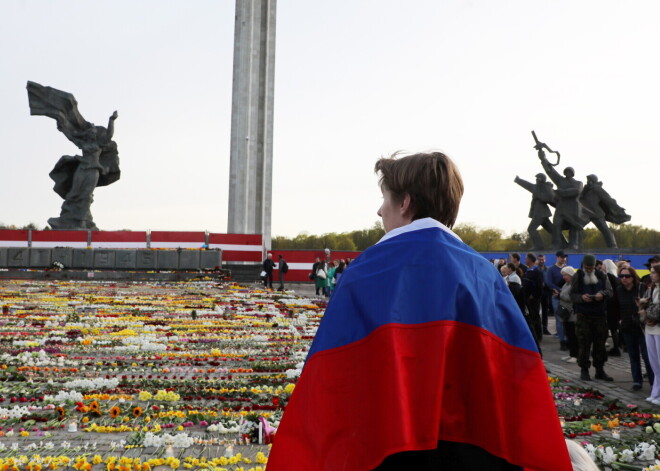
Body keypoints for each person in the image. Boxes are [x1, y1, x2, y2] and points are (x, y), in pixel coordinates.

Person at [268, 151, 571, 471]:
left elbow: (333, 380)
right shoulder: (484, 275)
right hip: (472, 452)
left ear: (405, 203)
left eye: (384, 198)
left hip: (387, 450)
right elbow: (514, 375)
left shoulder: (365, 271)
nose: (379, 210)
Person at [570, 254, 614, 381]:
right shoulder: (578, 276)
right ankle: (584, 370)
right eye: (587, 268)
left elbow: (610, 292)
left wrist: (602, 294)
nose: (589, 270)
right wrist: (581, 298)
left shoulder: (601, 276)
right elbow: (572, 294)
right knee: (584, 344)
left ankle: (599, 369)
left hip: (599, 315)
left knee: (600, 344)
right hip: (583, 315)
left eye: (591, 268)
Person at [537, 148, 589, 249]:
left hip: (573, 208)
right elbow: (551, 172)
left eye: (569, 172)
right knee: (556, 225)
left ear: (572, 173)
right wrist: (543, 159)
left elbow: (576, 191)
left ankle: (574, 244)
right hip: (561, 207)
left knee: (574, 227)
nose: (567, 173)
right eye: (566, 171)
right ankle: (556, 243)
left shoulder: (578, 183)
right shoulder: (561, 181)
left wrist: (561, 192)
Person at [616, 266, 653, 391]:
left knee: (647, 356)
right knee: (633, 356)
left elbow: (649, 304)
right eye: (621, 276)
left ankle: (653, 381)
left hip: (642, 327)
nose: (624, 279)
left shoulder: (641, 288)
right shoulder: (619, 290)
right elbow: (616, 308)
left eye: (627, 276)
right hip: (627, 327)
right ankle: (637, 381)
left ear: (633, 277)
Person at [641, 265, 660, 404]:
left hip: (658, 329)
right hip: (649, 328)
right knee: (654, 363)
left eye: (654, 273)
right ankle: (656, 392)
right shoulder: (651, 288)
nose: (651, 275)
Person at [547, 250, 569, 349]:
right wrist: (558, 290)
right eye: (562, 257)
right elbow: (549, 282)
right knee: (560, 319)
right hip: (556, 296)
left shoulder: (568, 269)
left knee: (567, 319)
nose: (563, 258)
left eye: (564, 257)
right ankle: (562, 341)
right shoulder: (551, 269)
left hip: (567, 297)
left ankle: (568, 339)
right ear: (557, 257)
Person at [601, 259, 621, 356]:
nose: (601, 267)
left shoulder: (608, 277)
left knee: (608, 327)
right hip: (615, 305)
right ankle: (616, 347)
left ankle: (614, 348)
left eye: (603, 265)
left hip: (609, 305)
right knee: (613, 328)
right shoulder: (616, 277)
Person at [559, 266, 578, 362]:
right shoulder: (566, 284)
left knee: (573, 334)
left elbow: (571, 297)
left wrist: (560, 295)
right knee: (569, 334)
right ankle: (571, 354)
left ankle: (575, 355)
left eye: (565, 275)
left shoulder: (574, 285)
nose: (564, 277)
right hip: (565, 312)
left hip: (572, 313)